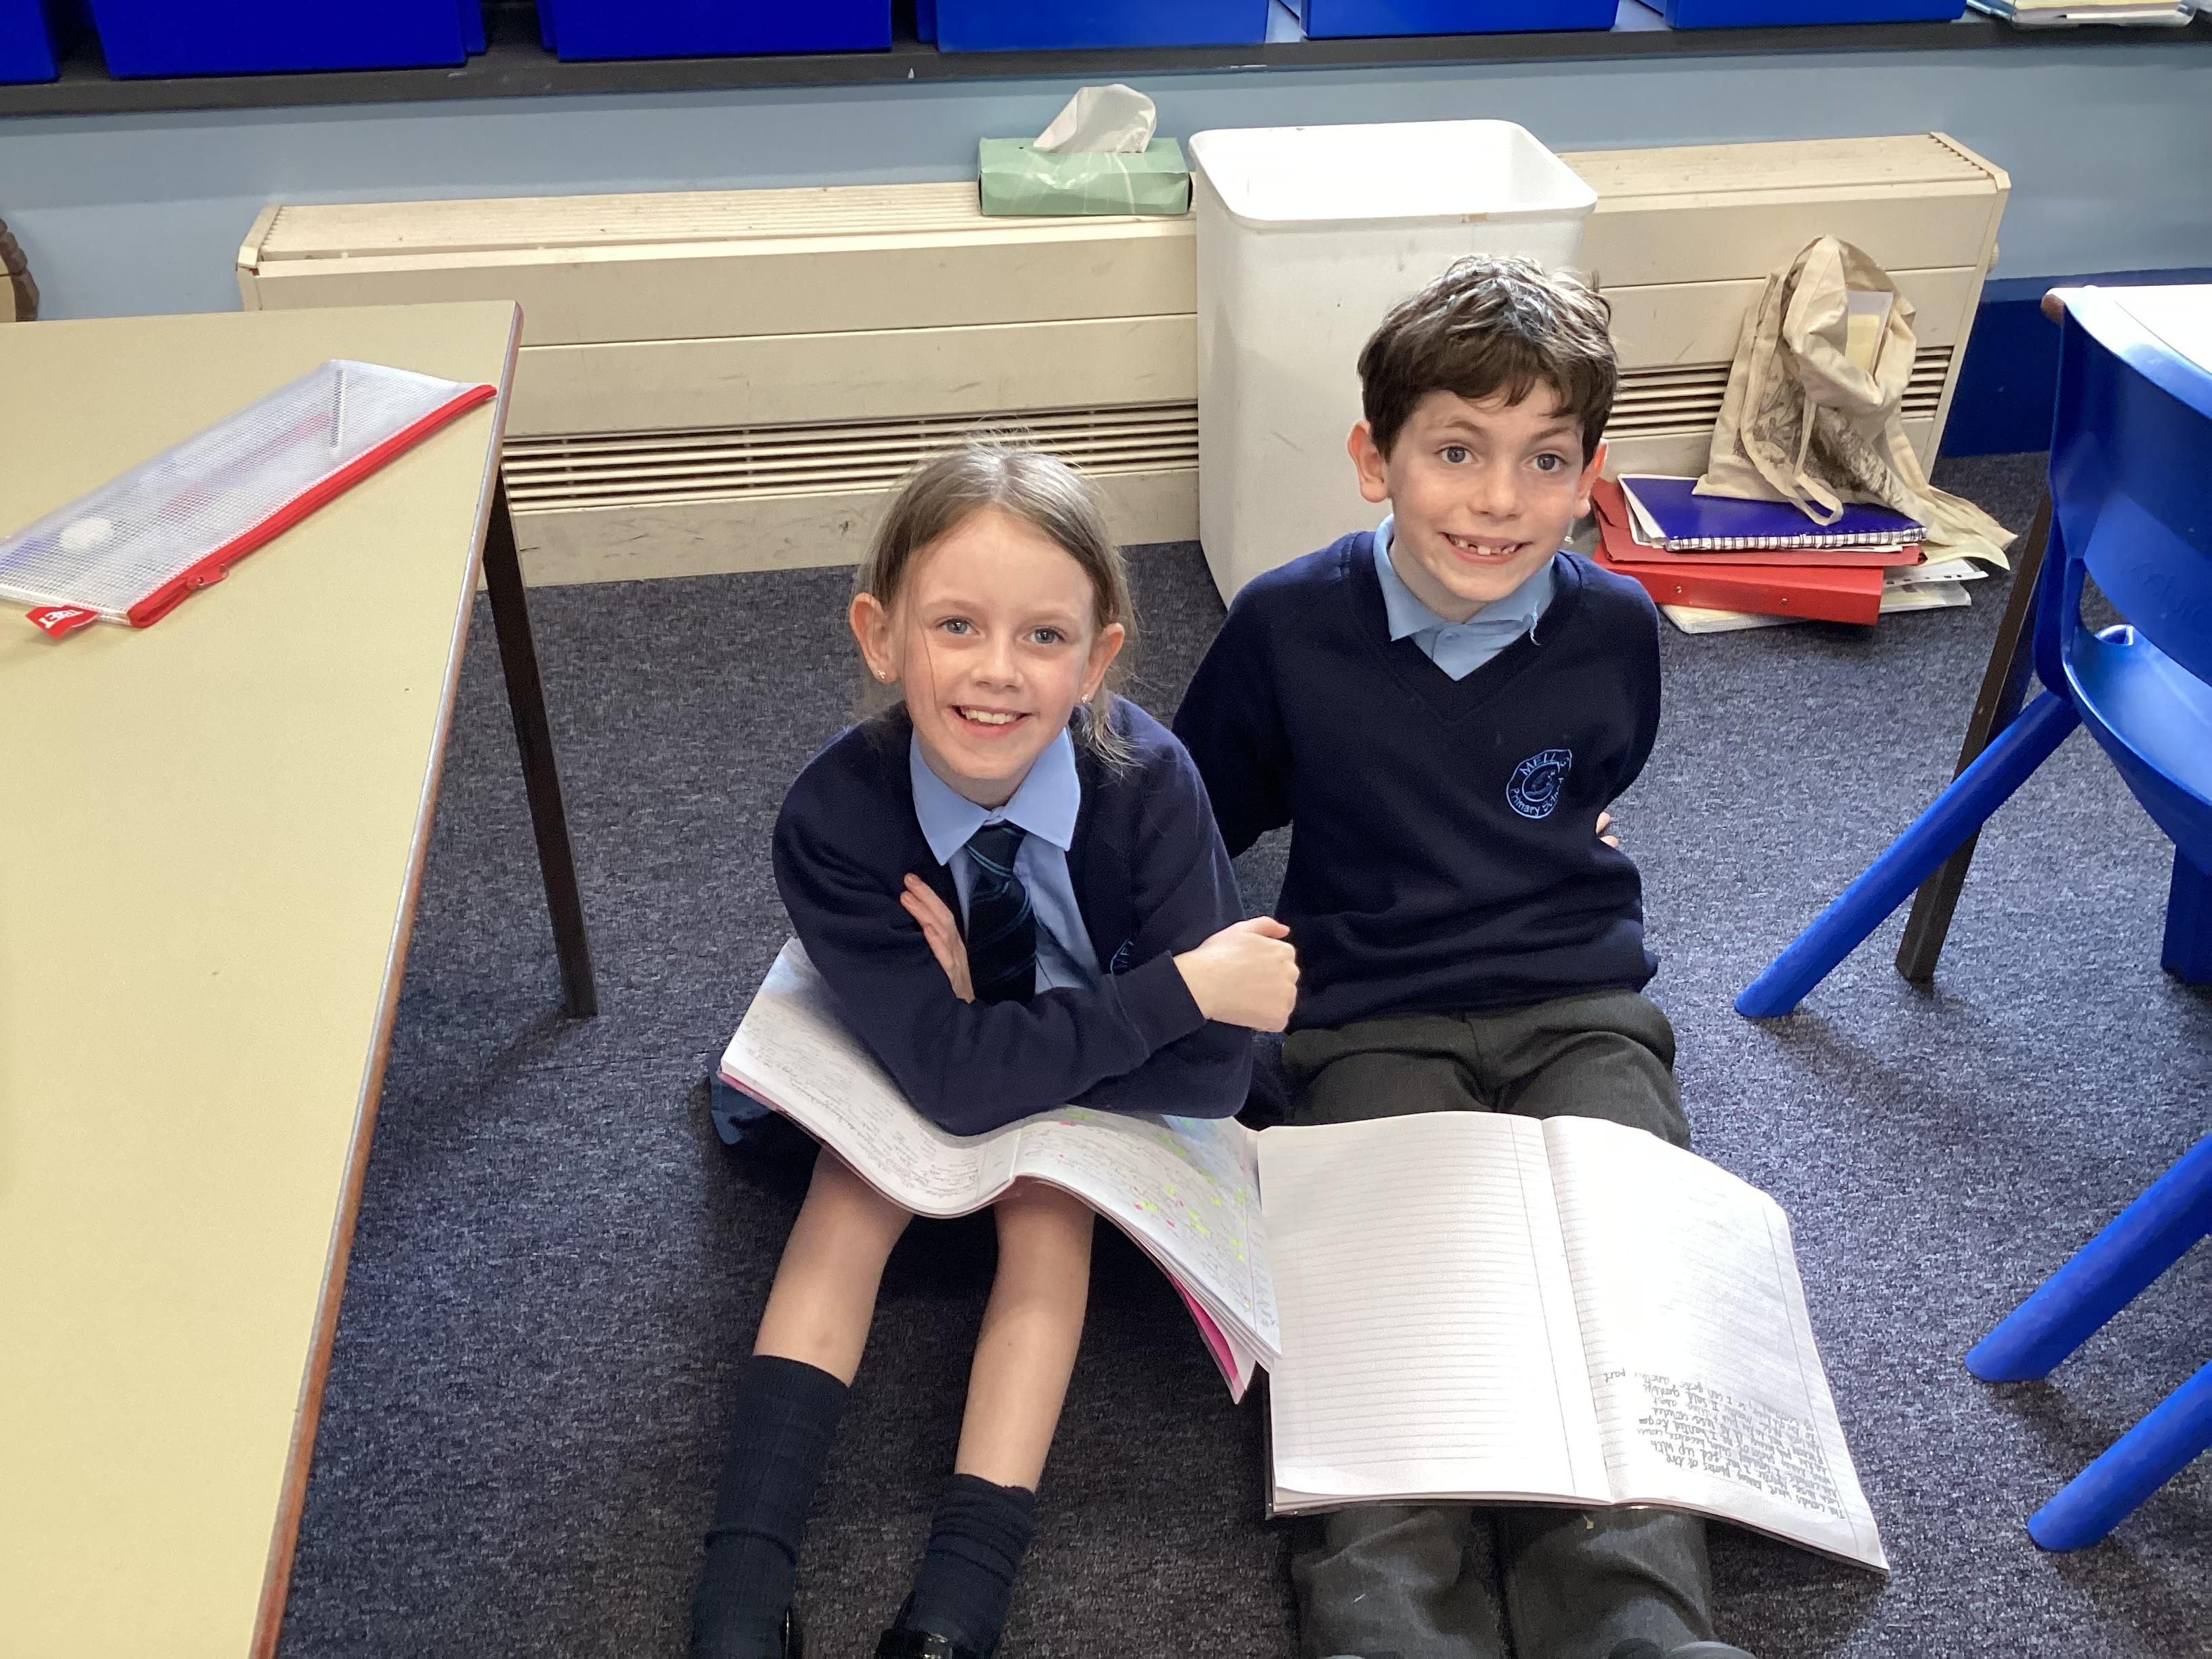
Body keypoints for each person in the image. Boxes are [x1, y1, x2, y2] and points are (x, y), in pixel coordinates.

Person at [1173, 256, 1753, 1659]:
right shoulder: (1286, 626)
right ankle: (1389, 1625)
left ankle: (1638, 1628)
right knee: (1387, 1324)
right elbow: (1192, 818)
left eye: (1544, 460)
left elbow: (1595, 781)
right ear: (1374, 460)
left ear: (1589, 479)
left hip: (1584, 1007)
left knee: (1625, 1314)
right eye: (1456, 451)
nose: (1498, 499)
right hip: (1370, 1017)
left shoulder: (1616, 626)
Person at [693, 441, 1300, 1659]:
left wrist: (996, 1031)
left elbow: (1209, 1073)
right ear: (881, 636)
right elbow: (962, 1077)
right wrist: (1171, 991)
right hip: (971, 1047)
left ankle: (955, 1608)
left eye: (1044, 636)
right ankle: (741, 1585)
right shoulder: (833, 817)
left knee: (1045, 1206)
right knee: (852, 1183)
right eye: (956, 626)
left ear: (1097, 660)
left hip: (1064, 1076)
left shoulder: (1154, 785)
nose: (997, 671)